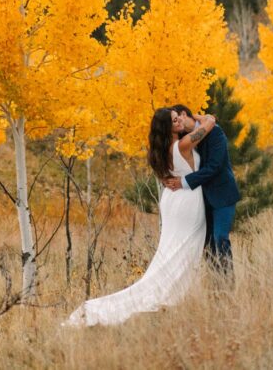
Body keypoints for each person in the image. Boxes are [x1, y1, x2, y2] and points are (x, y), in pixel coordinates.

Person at [64, 107, 216, 327]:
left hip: (173, 199)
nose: (180, 122)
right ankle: (169, 295)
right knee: (182, 250)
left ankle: (176, 294)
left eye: (179, 118)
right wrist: (199, 118)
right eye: (175, 121)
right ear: (168, 127)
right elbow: (210, 122)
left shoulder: (160, 150)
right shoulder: (183, 144)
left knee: (172, 249)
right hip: (187, 202)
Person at [163, 105, 240, 277]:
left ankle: (228, 284)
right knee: (205, 243)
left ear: (184, 114)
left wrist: (183, 182)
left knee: (220, 237)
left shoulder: (215, 133)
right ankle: (216, 283)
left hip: (222, 195)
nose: (176, 123)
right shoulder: (184, 137)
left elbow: (214, 167)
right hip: (199, 199)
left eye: (177, 118)